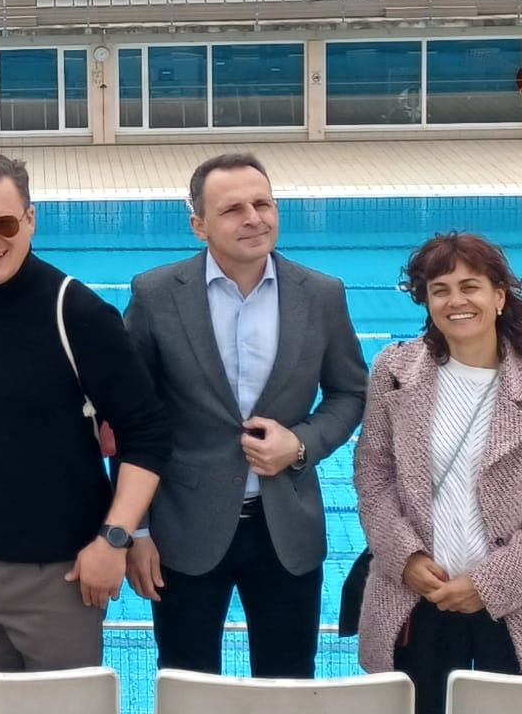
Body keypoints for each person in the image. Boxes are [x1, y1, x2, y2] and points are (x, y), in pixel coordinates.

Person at [0, 152, 169, 673]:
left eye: (5, 223)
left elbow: (146, 433)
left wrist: (114, 539)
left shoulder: (77, 313)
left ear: (30, 219)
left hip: (60, 577)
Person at [124, 152, 367, 679]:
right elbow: (130, 418)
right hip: (183, 530)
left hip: (286, 530)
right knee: (186, 684)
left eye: (263, 204)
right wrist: (136, 533)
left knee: (288, 685)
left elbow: (349, 392)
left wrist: (300, 444)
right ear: (199, 225)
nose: (254, 218)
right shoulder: (156, 295)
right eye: (233, 209)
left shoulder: (321, 295)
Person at [352, 230, 522, 714]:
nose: (456, 301)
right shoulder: (394, 373)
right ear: (426, 301)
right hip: (418, 599)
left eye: (470, 287)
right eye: (440, 290)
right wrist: (405, 558)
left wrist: (487, 585)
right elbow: (373, 476)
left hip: (521, 606)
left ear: (499, 297)